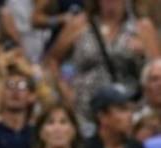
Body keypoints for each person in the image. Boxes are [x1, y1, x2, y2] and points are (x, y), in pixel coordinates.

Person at [45, 0, 159, 130]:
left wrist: (143, 53)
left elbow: (156, 68)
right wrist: (65, 91)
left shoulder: (142, 27)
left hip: (130, 111)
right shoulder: (79, 24)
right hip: (85, 111)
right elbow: (52, 60)